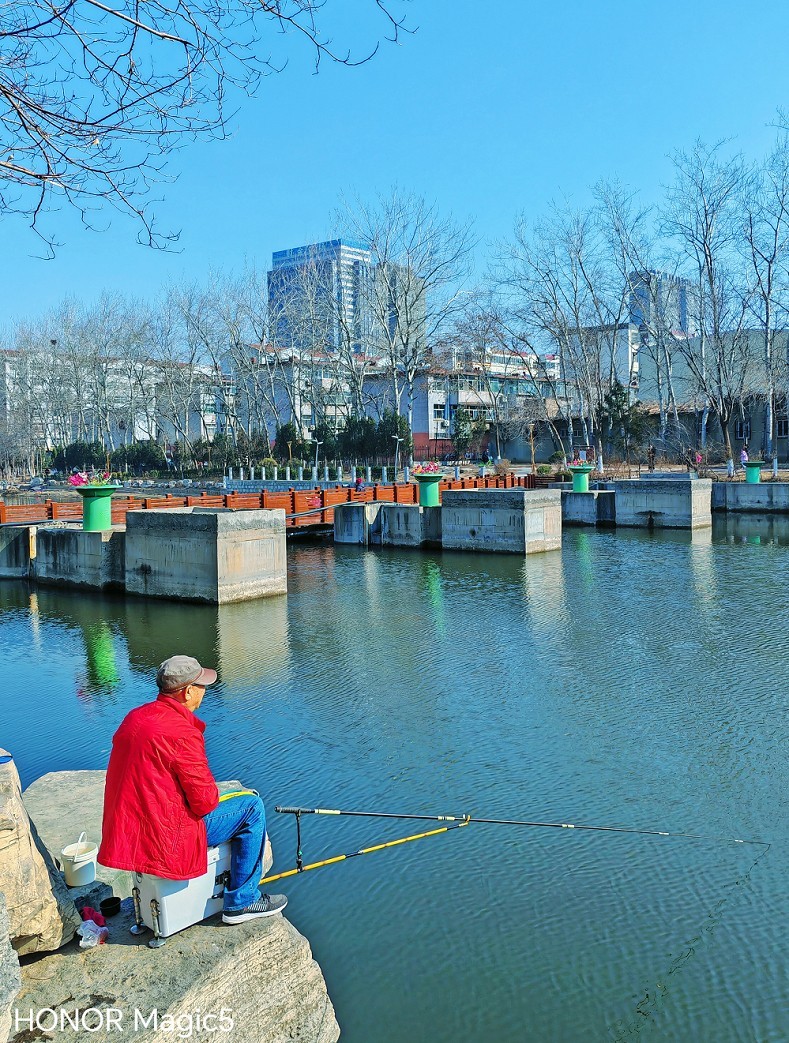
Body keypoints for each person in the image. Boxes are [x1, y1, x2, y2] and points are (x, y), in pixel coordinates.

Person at [98, 655, 286, 924]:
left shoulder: (135, 717)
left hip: (132, 830)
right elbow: (205, 803)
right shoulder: (182, 732)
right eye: (202, 686)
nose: (205, 691)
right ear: (187, 692)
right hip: (166, 836)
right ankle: (242, 902)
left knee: (240, 802)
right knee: (251, 807)